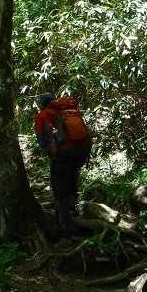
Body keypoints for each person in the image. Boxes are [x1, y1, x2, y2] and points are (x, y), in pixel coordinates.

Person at [34, 93, 91, 239]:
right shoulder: (68, 111)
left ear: (42, 104)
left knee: (60, 191)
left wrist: (51, 150)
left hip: (62, 155)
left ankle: (65, 229)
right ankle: (73, 215)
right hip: (80, 153)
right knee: (72, 183)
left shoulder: (42, 116)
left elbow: (41, 141)